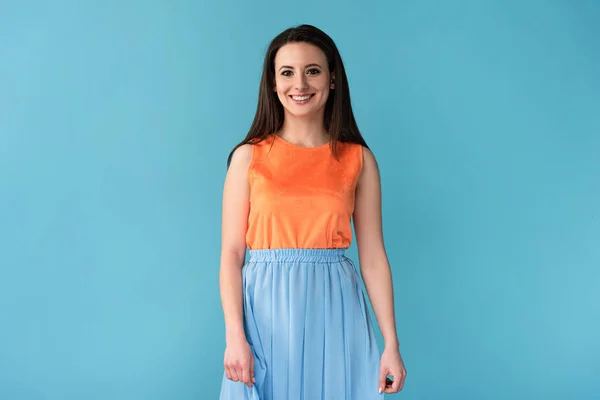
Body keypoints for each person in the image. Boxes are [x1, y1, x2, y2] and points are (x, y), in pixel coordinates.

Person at [218, 24, 406, 399]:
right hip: (267, 312)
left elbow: (372, 258)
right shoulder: (248, 157)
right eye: (286, 72)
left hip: (336, 308)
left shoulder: (359, 160)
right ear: (272, 83)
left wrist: (391, 344)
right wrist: (235, 336)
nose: (299, 84)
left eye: (313, 71)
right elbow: (232, 254)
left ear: (332, 79)